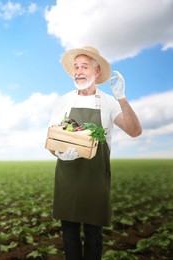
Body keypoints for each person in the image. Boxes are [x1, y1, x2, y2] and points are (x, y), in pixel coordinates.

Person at [47, 46, 142, 260]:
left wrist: (122, 98)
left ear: (97, 72)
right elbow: (52, 140)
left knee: (94, 236)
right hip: (67, 176)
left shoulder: (108, 102)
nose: (79, 71)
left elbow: (135, 131)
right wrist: (60, 153)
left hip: (95, 178)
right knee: (69, 234)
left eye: (84, 67)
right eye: (76, 67)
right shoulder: (63, 101)